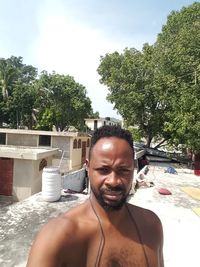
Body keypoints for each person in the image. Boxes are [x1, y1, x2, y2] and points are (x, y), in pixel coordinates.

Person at [26, 125, 164, 267]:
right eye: (103, 170)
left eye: (123, 170)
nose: (113, 181)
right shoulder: (55, 239)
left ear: (133, 170)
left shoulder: (151, 226)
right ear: (88, 166)